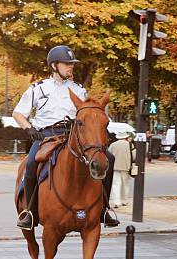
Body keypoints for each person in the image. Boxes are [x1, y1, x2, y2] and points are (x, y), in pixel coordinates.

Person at [12, 45, 119, 229]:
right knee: (30, 163)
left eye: (72, 64)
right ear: (54, 66)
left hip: (73, 135)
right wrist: (29, 129)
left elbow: (88, 115)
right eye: (67, 64)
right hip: (45, 135)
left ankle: (103, 209)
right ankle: (29, 212)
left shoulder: (78, 89)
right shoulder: (38, 88)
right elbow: (18, 113)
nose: (71, 67)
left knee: (109, 158)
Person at [108, 132, 136, 208]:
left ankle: (117, 202)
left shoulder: (113, 145)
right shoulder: (130, 144)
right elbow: (134, 156)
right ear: (125, 137)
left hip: (115, 167)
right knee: (125, 184)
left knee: (116, 184)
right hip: (126, 167)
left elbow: (108, 155)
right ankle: (124, 201)